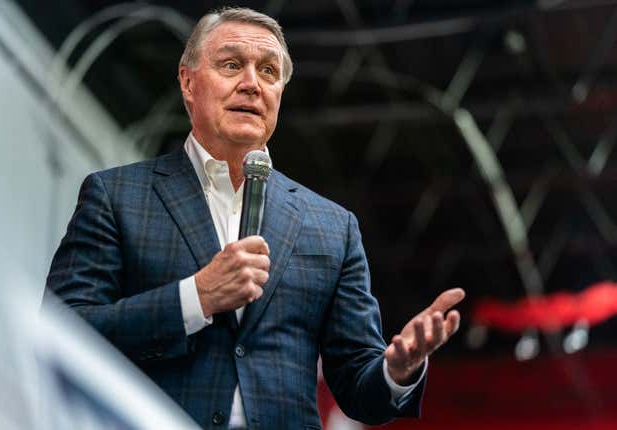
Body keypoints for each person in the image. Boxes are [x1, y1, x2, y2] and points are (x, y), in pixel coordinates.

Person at [45, 7, 465, 430]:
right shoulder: (116, 195)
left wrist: (398, 370)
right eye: (231, 65)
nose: (251, 83)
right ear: (188, 82)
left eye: (268, 71)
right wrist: (195, 298)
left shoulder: (333, 228)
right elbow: (61, 330)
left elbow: (360, 392)